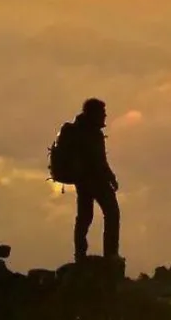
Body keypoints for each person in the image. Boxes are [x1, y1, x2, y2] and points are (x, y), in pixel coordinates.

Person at [71, 97, 120, 261]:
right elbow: (99, 160)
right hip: (95, 181)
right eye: (102, 113)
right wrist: (111, 178)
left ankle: (80, 255)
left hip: (82, 182)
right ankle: (111, 255)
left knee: (84, 218)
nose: (105, 116)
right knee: (112, 214)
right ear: (94, 114)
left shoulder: (78, 129)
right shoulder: (91, 133)